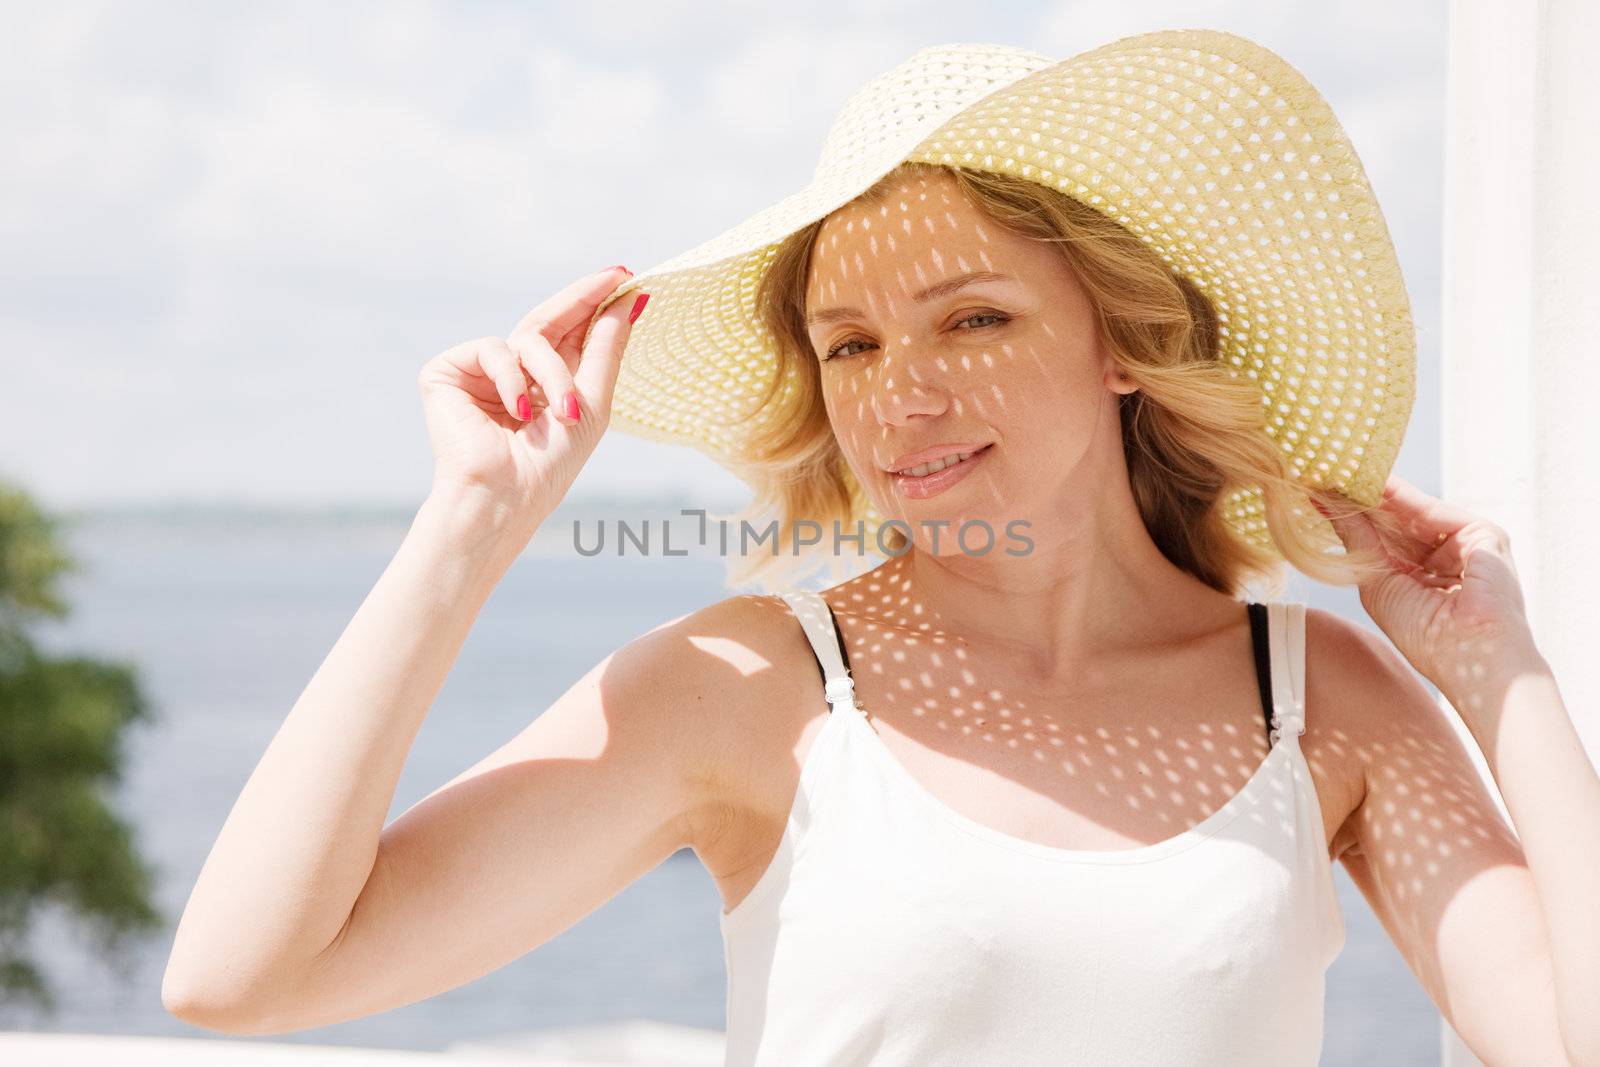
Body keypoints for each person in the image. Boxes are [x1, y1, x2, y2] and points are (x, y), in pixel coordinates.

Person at [163, 32, 1597, 1067]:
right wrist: (469, 527)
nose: (900, 395)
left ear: (1124, 346)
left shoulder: (1317, 697)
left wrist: (1500, 675)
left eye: (973, 319)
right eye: (850, 344)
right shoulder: (753, 687)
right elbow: (244, 979)